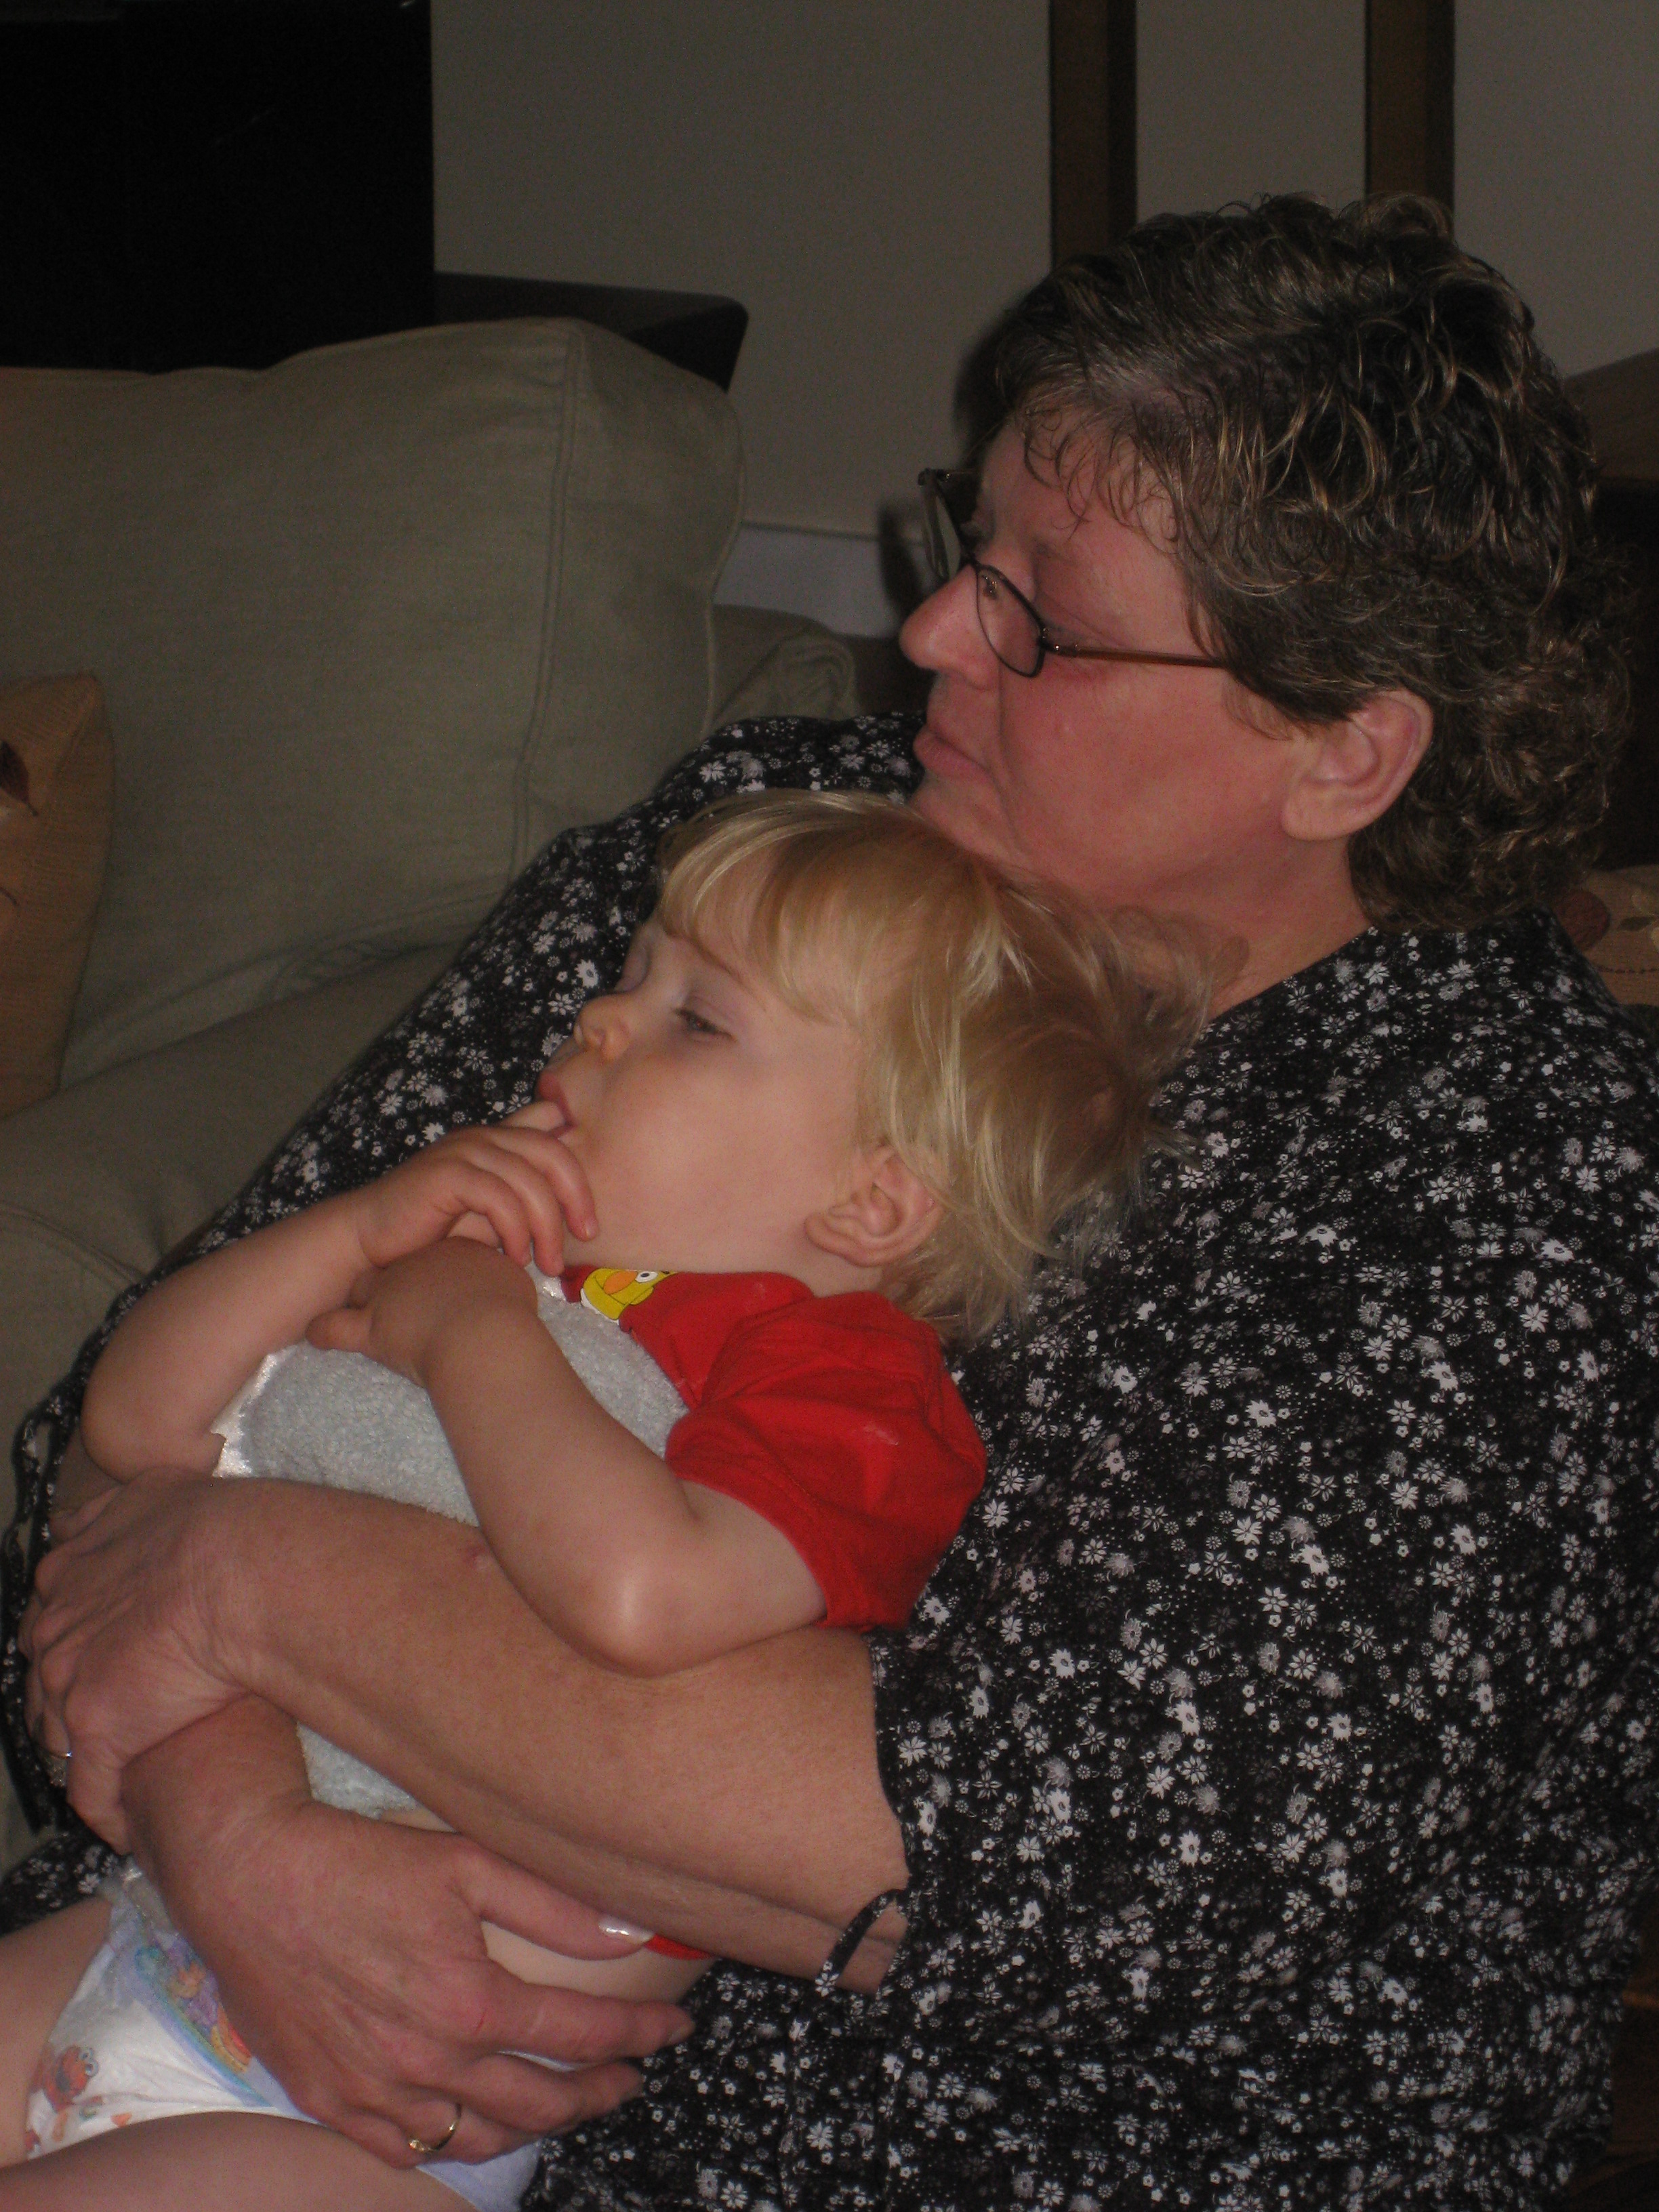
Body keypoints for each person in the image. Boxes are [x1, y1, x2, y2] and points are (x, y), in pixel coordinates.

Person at [7, 192, 1653, 2209]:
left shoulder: (1500, 1199)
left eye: (1043, 616)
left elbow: (1016, 1854)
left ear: (1342, 752)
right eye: (969, 545)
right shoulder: (772, 853)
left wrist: (245, 1589)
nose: (938, 633)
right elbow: (139, 1440)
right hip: (214, 1974)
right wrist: (243, 1839)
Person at [0, 792, 1187, 2209]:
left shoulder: (850, 1382)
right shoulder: (501, 1248)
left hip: (358, 2127)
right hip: (143, 1938)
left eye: (699, 1019)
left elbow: (644, 1596)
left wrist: (465, 1328)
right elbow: (139, 1429)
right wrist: (362, 1232)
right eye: (631, 973)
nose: (601, 1019)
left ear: (874, 1202)